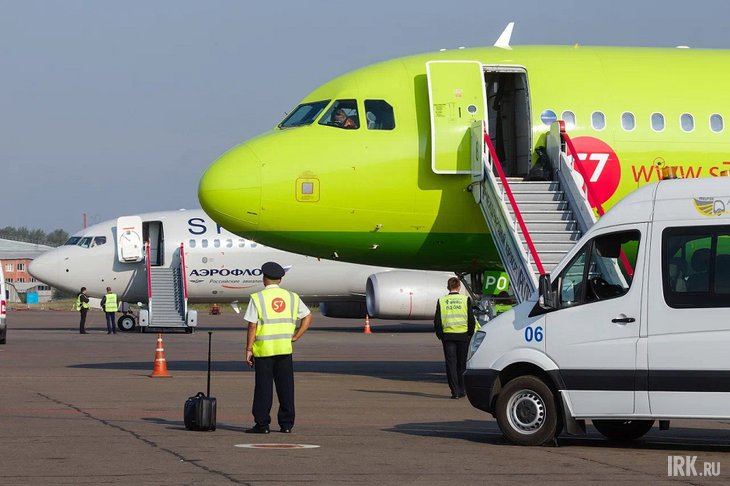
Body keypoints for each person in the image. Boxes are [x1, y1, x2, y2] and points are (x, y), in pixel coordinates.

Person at [243, 262, 313, 434]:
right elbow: (308, 316)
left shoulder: (257, 298)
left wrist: (248, 349)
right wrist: (296, 336)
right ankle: (287, 424)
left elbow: (252, 325)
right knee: (286, 388)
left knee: (263, 389)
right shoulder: (292, 297)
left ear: (264, 279)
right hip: (284, 349)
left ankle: (262, 424)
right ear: (280, 279)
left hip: (264, 350)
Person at [434, 277, 476, 399]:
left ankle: (455, 391)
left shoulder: (442, 301)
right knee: (462, 364)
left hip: (448, 336)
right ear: (459, 287)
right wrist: (470, 333)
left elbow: (437, 319)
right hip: (463, 335)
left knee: (451, 364)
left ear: (448, 287)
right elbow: (471, 319)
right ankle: (462, 389)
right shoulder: (465, 299)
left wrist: (440, 334)